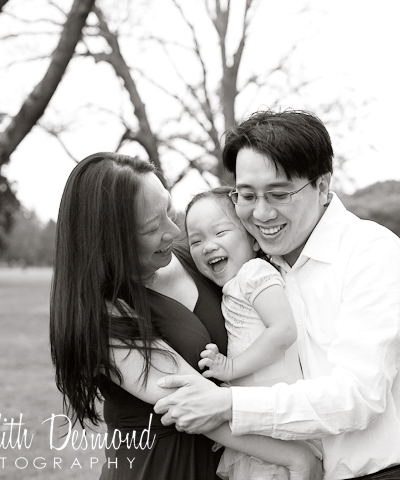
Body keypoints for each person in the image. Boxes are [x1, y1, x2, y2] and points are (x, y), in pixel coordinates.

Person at [154, 110, 400, 480]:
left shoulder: (371, 253)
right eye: (247, 195)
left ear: (322, 186)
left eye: (279, 194)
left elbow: (357, 396)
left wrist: (229, 404)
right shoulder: (255, 264)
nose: (261, 213)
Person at [50, 152, 322, 480]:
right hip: (162, 468)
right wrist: (296, 457)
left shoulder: (197, 258)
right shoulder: (103, 315)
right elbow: (191, 401)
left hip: (234, 464)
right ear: (113, 241)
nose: (172, 229)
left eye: (168, 210)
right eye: (153, 227)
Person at [185, 187, 317, 479]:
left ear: (254, 239)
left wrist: (230, 368)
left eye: (220, 233)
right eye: (196, 240)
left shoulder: (254, 272)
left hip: (280, 426)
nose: (208, 246)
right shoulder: (230, 288)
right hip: (259, 430)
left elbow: (283, 331)